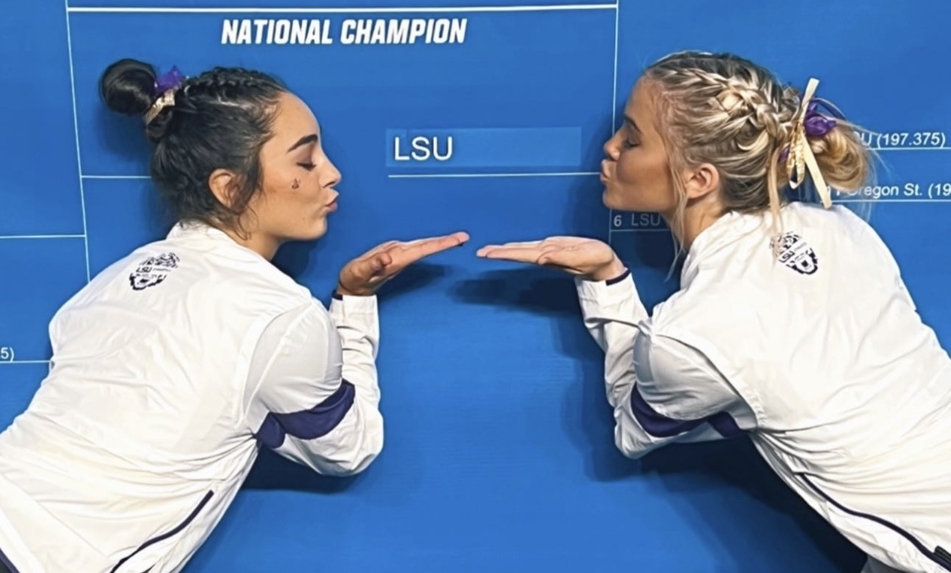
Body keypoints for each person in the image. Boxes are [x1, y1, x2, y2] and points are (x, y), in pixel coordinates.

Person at [478, 51, 951, 573]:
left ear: (699, 179)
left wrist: (607, 283)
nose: (610, 148)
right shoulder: (844, 230)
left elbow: (634, 427)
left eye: (632, 139)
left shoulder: (693, 338)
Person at [0, 59, 468, 573]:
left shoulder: (108, 284)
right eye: (306, 162)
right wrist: (353, 303)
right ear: (229, 187)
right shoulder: (282, 318)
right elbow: (348, 447)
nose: (332, 174)